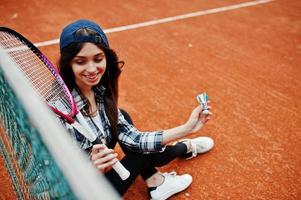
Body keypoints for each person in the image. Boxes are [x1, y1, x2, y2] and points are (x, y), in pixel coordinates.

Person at [58, 19, 214, 200]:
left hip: (99, 180)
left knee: (122, 118)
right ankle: (185, 148)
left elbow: (137, 141)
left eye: (98, 59)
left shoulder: (100, 93)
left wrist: (187, 128)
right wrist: (88, 169)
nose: (92, 69)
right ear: (69, 63)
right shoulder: (60, 112)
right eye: (80, 61)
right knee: (139, 156)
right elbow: (47, 181)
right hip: (82, 192)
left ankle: (157, 182)